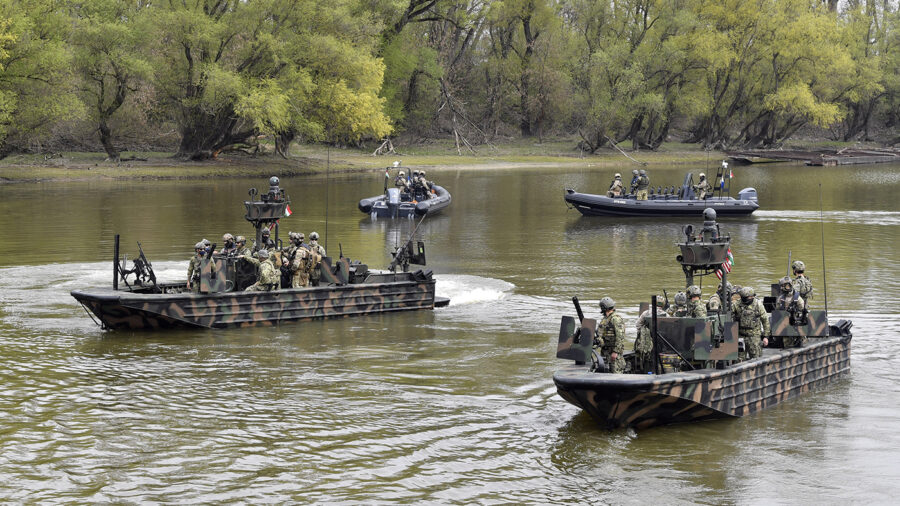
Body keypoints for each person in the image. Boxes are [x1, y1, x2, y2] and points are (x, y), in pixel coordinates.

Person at [731, 286, 770, 360]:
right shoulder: (737, 304)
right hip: (741, 335)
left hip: (754, 336)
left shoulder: (758, 304)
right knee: (739, 358)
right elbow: (729, 316)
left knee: (756, 357)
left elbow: (765, 320)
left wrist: (766, 336)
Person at [595, 297, 625, 373]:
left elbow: (620, 337)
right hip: (605, 351)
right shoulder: (605, 318)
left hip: (613, 353)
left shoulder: (615, 319)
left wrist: (616, 352)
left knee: (616, 373)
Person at [777, 276, 808, 347]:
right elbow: (778, 312)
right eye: (782, 286)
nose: (783, 288)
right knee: (786, 342)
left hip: (796, 323)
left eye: (785, 286)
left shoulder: (797, 298)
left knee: (799, 342)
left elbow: (803, 311)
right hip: (785, 324)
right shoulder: (781, 299)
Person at [634, 296, 664, 370]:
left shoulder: (646, 313)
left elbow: (638, 325)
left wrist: (642, 335)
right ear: (663, 304)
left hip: (646, 342)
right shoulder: (666, 314)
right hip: (660, 342)